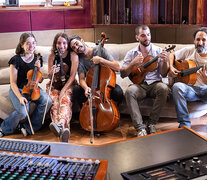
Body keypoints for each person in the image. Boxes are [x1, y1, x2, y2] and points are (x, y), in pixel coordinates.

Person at [120, 25, 170, 137]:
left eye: (148, 34)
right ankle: (140, 128)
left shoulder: (158, 51)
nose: (146, 38)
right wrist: (133, 63)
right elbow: (123, 73)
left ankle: (152, 123)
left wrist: (165, 62)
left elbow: (163, 74)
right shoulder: (131, 53)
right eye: (143, 35)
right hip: (139, 85)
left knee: (164, 88)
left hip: (155, 84)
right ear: (137, 37)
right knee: (129, 91)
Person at [0, 32, 52, 137]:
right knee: (23, 112)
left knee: (47, 101)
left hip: (34, 88)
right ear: (22, 45)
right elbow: (13, 83)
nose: (31, 46)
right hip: (18, 89)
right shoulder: (16, 60)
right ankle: (4, 128)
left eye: (33, 43)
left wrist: (38, 68)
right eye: (28, 43)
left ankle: (28, 127)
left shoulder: (38, 58)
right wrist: (19, 97)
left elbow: (40, 79)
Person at [68, 35, 123, 118]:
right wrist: (86, 88)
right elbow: (82, 79)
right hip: (91, 85)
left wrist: (101, 60)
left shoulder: (99, 49)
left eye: (77, 43)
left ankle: (114, 114)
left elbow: (117, 67)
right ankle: (85, 115)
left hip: (105, 83)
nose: (77, 47)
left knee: (118, 92)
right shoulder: (80, 60)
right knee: (76, 90)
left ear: (82, 41)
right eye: (74, 47)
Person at [169, 27, 207, 128]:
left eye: (204, 40)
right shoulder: (190, 50)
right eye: (198, 39)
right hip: (191, 90)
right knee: (177, 87)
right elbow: (172, 55)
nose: (200, 42)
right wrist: (171, 67)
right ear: (194, 41)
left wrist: (205, 81)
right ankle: (184, 124)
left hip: (205, 91)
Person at [47, 33, 79, 142]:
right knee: (54, 103)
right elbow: (49, 76)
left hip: (69, 84)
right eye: (59, 43)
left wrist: (64, 90)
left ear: (67, 44)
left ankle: (60, 125)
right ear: (55, 44)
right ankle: (62, 130)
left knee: (65, 99)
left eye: (64, 43)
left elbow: (73, 75)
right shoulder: (52, 55)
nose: (62, 46)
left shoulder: (73, 55)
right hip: (55, 84)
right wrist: (51, 72)